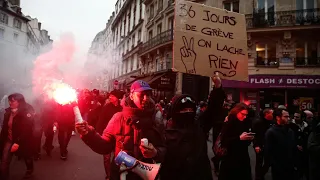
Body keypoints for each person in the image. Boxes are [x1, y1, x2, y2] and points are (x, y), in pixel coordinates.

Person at [76, 80, 166, 180]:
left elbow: (164, 148)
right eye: (142, 95)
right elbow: (104, 147)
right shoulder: (118, 118)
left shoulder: (157, 118)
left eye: (148, 95)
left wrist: (155, 153)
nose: (146, 98)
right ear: (131, 96)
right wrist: (89, 134)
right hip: (121, 175)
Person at [159, 73, 224, 180]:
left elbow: (213, 109)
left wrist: (217, 88)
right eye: (184, 110)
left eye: (190, 110)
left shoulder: (199, 125)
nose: (188, 112)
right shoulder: (165, 130)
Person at [0, 93, 35, 179]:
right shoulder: (7, 112)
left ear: (19, 102)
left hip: (23, 140)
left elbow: (27, 129)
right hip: (9, 139)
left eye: (13, 101)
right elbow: (4, 128)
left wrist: (17, 142)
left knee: (27, 157)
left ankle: (29, 170)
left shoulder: (26, 111)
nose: (10, 103)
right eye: (9, 101)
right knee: (4, 162)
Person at [219, 103, 254, 180]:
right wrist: (239, 138)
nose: (244, 117)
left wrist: (249, 138)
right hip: (230, 157)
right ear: (236, 112)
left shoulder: (246, 122)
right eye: (243, 114)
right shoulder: (229, 122)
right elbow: (224, 141)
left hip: (243, 156)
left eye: (246, 115)